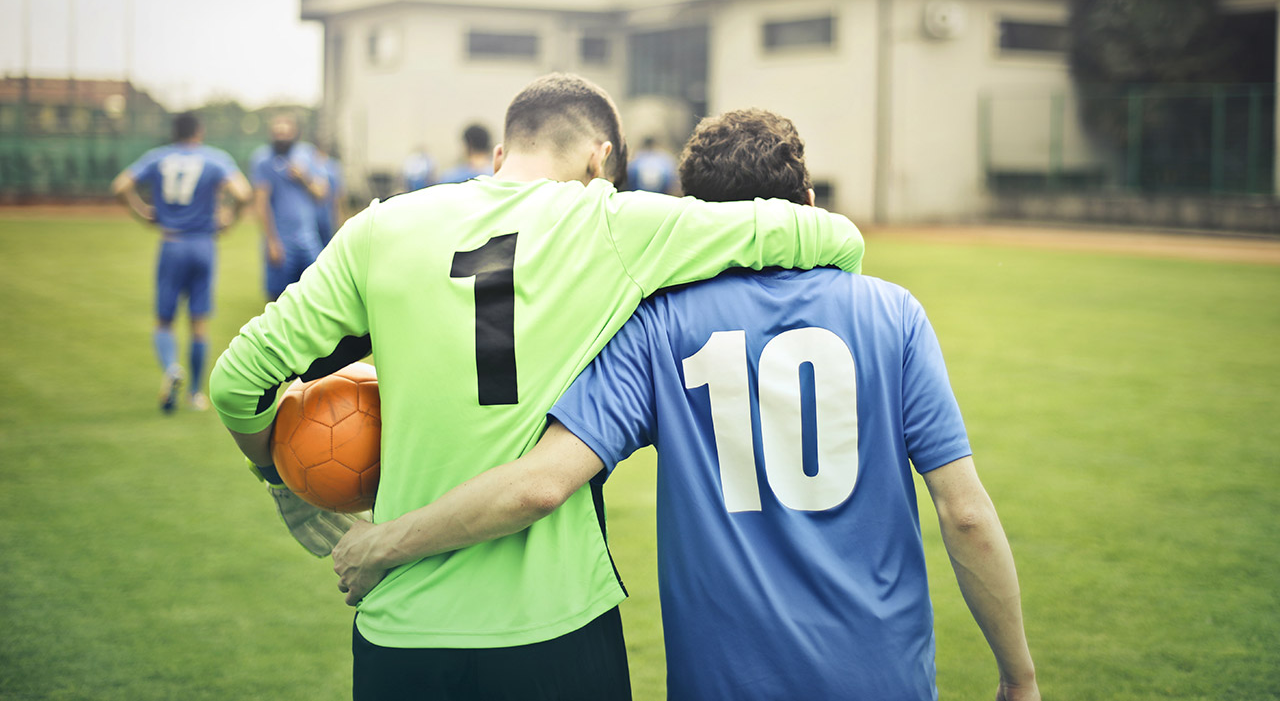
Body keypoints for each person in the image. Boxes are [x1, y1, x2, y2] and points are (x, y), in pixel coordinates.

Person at [332, 108, 1040, 701]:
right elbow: (966, 513)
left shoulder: (658, 325)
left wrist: (384, 545)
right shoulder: (894, 313)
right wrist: (1019, 676)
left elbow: (540, 481)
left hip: (725, 683)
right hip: (882, 677)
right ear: (810, 205)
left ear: (690, 219)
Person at [210, 74, 865, 701]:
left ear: (501, 153)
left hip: (402, 622)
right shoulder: (608, 221)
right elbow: (830, 236)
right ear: (599, 158)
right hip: (555, 623)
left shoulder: (379, 230)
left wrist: (276, 474)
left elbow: (238, 380)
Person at [111, 111, 252, 413]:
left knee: (164, 320)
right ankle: (195, 394)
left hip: (172, 243)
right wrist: (230, 219)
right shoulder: (215, 159)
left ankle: (172, 368)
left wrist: (142, 211)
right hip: (204, 245)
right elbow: (243, 192)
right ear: (199, 132)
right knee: (199, 323)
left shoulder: (158, 157)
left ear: (174, 133)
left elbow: (120, 185)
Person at [250, 113, 328, 301]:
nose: (281, 137)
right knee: (278, 298)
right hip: (281, 241)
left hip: (308, 239)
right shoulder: (263, 160)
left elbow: (321, 194)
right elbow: (261, 203)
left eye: (286, 132)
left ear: (295, 133)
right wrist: (271, 241)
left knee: (315, 294)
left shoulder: (307, 155)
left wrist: (304, 177)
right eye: (277, 133)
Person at [313, 138, 344, 246]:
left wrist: (338, 218)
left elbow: (337, 195)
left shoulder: (333, 166)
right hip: (313, 215)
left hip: (328, 214)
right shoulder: (309, 165)